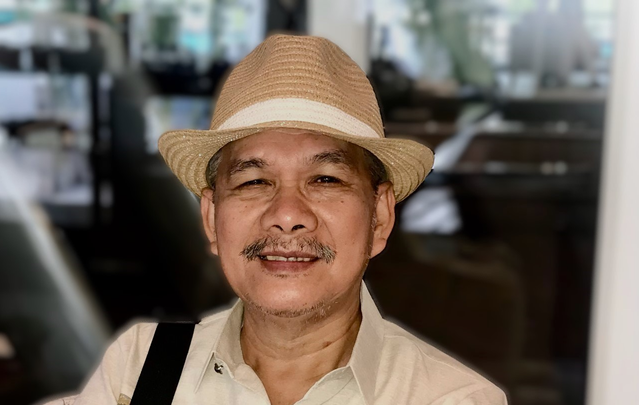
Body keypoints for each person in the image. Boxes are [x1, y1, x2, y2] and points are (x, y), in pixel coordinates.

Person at [47, 34, 507, 405]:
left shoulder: (449, 398)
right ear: (211, 216)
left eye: (325, 179)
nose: (287, 215)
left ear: (380, 217)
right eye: (253, 181)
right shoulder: (141, 370)